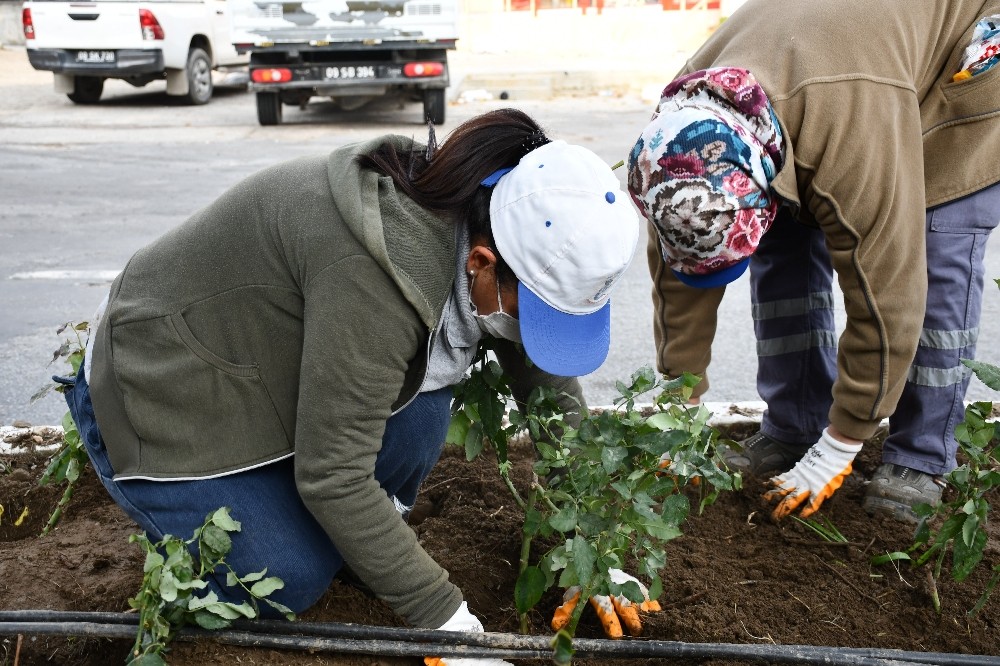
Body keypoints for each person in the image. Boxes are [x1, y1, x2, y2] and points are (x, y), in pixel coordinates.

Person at [60, 108, 642, 662]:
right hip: (159, 384)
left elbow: (549, 395)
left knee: (419, 417)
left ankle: (346, 540)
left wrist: (597, 549)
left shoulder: (489, 205)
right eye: (536, 314)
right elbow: (333, 476)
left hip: (259, 366)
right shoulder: (376, 279)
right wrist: (447, 623)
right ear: (483, 264)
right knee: (286, 577)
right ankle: (234, 516)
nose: (531, 333)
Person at [627, 0, 1000, 523]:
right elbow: (681, 268)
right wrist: (680, 399)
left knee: (935, 252)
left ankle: (918, 457)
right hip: (839, 71)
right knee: (783, 243)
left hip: (952, 71)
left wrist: (845, 440)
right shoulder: (679, 135)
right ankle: (793, 426)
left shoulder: (852, 129)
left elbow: (888, 290)